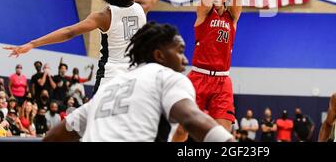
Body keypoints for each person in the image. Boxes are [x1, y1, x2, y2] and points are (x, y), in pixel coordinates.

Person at [4, 0, 203, 94]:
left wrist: (32, 43)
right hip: (137, 74)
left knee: (96, 124)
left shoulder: (104, 16)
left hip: (111, 76)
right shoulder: (143, 5)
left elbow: (69, 32)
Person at [43, 22, 234, 142]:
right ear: (159, 55)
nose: (185, 60)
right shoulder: (166, 77)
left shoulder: (109, 87)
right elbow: (192, 119)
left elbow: (52, 137)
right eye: (180, 51)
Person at [187, 0, 249, 133]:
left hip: (222, 80)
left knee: (223, 132)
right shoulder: (204, 14)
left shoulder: (232, 17)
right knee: (183, 129)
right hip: (198, 76)